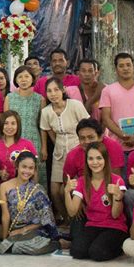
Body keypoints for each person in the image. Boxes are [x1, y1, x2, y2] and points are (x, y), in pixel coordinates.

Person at [64, 142, 128, 261]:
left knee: (97, 253)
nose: (95, 162)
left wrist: (117, 197)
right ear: (86, 161)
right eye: (91, 159)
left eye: (99, 158)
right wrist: (67, 192)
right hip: (93, 225)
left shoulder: (116, 180)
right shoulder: (82, 181)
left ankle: (119, 247)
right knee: (77, 251)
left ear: (105, 159)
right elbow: (72, 212)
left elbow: (115, 214)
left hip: (114, 226)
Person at [40, 77, 90, 219]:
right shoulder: (46, 112)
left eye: (56, 89)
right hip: (59, 153)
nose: (53, 94)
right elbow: (46, 129)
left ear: (63, 90)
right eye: (49, 91)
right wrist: (47, 146)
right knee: (54, 191)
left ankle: (77, 218)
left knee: (67, 189)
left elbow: (87, 125)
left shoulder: (75, 105)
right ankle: (66, 219)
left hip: (78, 149)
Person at [0, 151, 59, 255]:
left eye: (31, 168)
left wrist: (23, 229)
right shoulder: (4, 186)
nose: (27, 171)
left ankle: (55, 244)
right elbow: (5, 216)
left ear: (34, 170)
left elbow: (45, 220)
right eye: (24, 167)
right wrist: (4, 240)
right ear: (16, 166)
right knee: (3, 248)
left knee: (32, 247)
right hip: (14, 232)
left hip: (34, 231)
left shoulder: (38, 190)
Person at [99, 52, 134, 168]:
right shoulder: (108, 90)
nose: (125, 68)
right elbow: (106, 118)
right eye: (121, 66)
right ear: (116, 69)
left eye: (128, 65)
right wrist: (123, 135)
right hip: (116, 145)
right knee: (119, 178)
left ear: (133, 67)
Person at [62, 118, 126, 183]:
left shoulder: (113, 147)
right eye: (82, 138)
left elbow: (116, 180)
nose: (87, 141)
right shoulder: (73, 155)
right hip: (84, 186)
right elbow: (67, 181)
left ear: (101, 137)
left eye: (91, 137)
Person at [5, 65, 44, 153]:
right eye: (20, 77)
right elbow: (5, 124)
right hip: (14, 141)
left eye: (27, 76)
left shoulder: (40, 99)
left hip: (34, 141)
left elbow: (43, 126)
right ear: (16, 80)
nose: (23, 80)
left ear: (32, 79)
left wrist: (44, 147)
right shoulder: (9, 98)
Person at [0, 111, 37, 183]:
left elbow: (35, 169)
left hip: (24, 185)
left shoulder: (27, 144)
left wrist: (33, 187)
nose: (9, 127)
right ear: (1, 125)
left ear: (18, 126)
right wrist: (0, 173)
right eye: (6, 123)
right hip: (1, 185)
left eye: (13, 123)